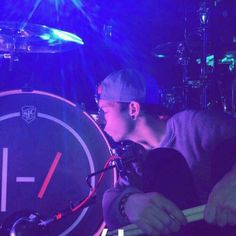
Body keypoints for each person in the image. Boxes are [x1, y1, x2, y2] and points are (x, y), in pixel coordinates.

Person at [96, 68, 236, 235]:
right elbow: (110, 200)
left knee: (162, 159)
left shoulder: (191, 125)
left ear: (133, 109)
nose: (101, 119)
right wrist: (128, 203)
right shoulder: (135, 158)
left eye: (105, 111)